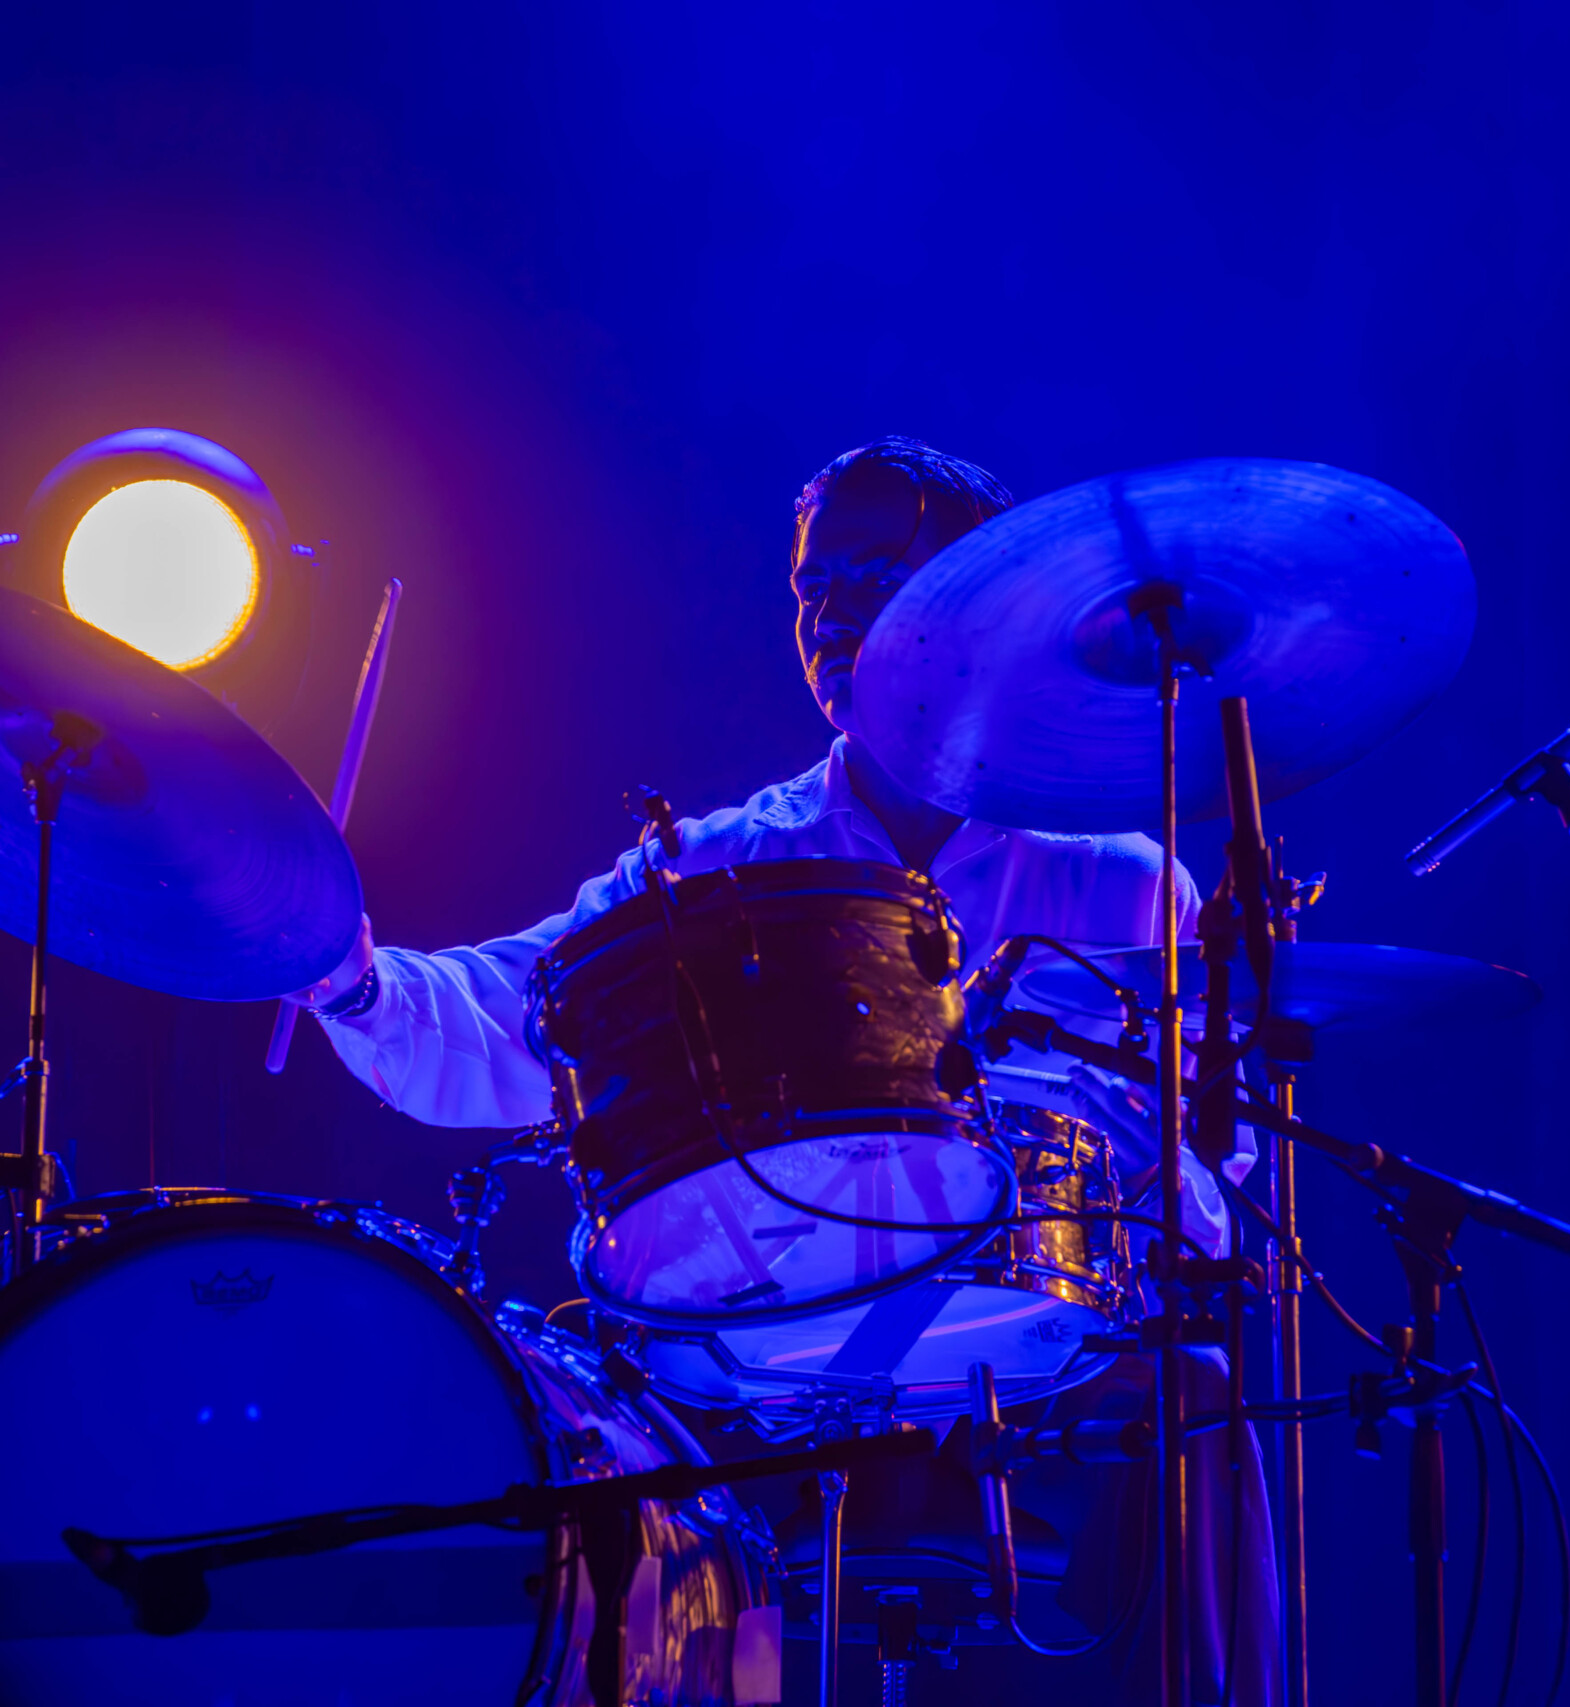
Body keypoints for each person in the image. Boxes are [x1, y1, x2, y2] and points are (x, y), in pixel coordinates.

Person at [295, 436, 1276, 1704]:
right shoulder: (720, 867)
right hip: (759, 1357)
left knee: (1204, 1394)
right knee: (579, 1422)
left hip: (1047, 1358)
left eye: (876, 571)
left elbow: (1201, 1180)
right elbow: (509, 1016)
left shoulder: (1118, 878)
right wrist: (348, 977)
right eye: (812, 586)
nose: (831, 610)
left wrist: (1116, 1185)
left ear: (979, 593)